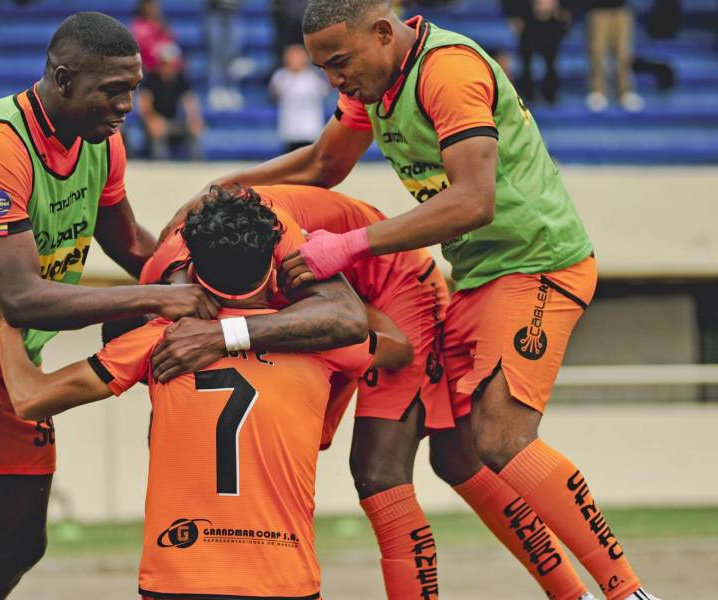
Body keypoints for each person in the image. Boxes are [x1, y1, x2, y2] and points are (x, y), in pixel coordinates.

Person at [161, 2, 662, 599]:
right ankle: (570, 594)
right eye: (322, 69)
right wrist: (225, 188)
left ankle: (627, 591)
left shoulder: (446, 71)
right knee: (457, 458)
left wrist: (347, 246)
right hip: (475, 274)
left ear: (382, 31)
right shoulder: (375, 84)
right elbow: (325, 162)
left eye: (339, 62)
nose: (333, 80)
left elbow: (475, 201)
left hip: (536, 262)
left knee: (501, 437)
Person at [0, 11, 365, 600]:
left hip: (10, 350)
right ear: (63, 79)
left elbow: (133, 249)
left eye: (134, 89)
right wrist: (167, 297)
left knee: (16, 544)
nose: (126, 106)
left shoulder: (102, 144)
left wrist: (209, 292)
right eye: (113, 91)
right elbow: (21, 298)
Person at [146, 184, 593, 600]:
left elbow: (355, 325)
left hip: (396, 290)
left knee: (379, 471)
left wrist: (228, 332)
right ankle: (574, 595)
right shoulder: (163, 283)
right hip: (338, 301)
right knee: (457, 458)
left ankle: (587, 593)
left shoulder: (277, 239)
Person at [0, 189, 413, 599]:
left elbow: (30, 397)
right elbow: (399, 345)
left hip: (177, 576)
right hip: (283, 579)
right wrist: (319, 281)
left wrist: (10, 312)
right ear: (274, 266)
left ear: (193, 267)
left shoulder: (161, 338)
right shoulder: (323, 342)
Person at [138, 43, 205, 159]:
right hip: (157, 121)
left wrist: (194, 118)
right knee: (158, 130)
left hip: (174, 122)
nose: (169, 68)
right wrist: (152, 119)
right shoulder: (151, 79)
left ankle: (197, 165)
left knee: (194, 128)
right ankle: (160, 166)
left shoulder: (181, 79)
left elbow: (190, 101)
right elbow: (144, 104)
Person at [503, 0, 571, 104]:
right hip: (526, 17)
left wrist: (562, 8)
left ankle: (550, 95)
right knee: (526, 61)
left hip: (554, 18)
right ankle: (527, 95)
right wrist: (514, 14)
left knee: (551, 60)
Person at [585, 0, 645, 113]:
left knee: (624, 54)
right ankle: (597, 91)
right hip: (597, 11)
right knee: (597, 53)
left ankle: (625, 92)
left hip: (621, 10)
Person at [270, 45, 330, 152]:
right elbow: (274, 93)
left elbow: (326, 91)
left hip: (310, 130)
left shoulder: (313, 78)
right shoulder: (281, 77)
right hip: (290, 131)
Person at [131, 0, 176, 73]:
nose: (153, 8)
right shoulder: (138, 26)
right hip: (149, 69)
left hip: (166, 67)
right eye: (150, 5)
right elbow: (143, 49)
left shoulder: (163, 24)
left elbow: (171, 43)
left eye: (155, 5)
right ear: (143, 7)